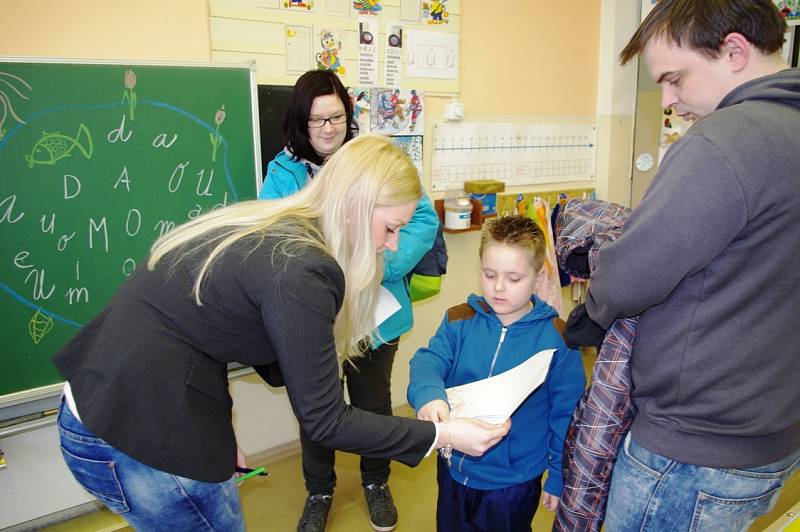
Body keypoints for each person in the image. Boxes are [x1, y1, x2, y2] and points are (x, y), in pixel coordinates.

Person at [53, 135, 510, 532]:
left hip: (105, 398)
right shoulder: (301, 269)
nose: (391, 245)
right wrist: (444, 436)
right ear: (355, 205)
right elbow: (326, 420)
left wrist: (221, 433)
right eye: (390, 228)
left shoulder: (276, 225)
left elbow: (199, 333)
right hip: (132, 423)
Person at [565, 1, 800, 529]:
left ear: (734, 51)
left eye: (674, 79)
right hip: (771, 432)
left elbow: (627, 278)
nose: (668, 101)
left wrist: (594, 297)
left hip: (694, 450)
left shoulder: (725, 140)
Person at [259, 70, 440, 532]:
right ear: (300, 122)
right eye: (316, 120)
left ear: (348, 114)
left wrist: (384, 266)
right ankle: (319, 491)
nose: (327, 128)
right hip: (316, 315)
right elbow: (276, 241)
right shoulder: (281, 175)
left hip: (376, 312)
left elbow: (421, 218)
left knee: (373, 403)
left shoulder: (375, 160)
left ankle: (376, 483)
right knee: (316, 409)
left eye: (336, 116)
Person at [408, 215, 585, 532]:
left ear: (538, 277)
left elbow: (566, 416)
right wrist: (428, 396)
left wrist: (558, 475)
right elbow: (428, 361)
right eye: (489, 275)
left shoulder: (558, 339)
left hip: (511, 482)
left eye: (514, 278)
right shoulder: (459, 319)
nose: (499, 287)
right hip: (453, 467)